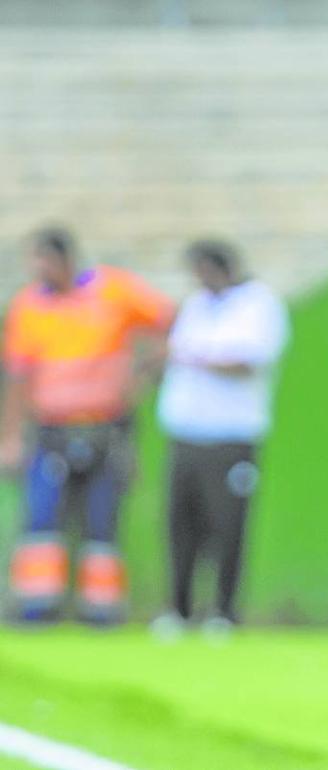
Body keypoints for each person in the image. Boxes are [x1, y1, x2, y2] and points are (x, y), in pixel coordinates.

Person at [2, 227, 174, 623]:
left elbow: (170, 321)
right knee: (42, 521)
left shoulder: (113, 291)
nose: (37, 269)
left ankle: (102, 613)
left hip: (107, 429)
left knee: (102, 520)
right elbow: (17, 376)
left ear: (65, 259)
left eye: (43, 260)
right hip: (50, 430)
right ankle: (37, 609)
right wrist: (9, 438)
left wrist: (145, 370)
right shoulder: (29, 306)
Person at [152, 239, 288, 637]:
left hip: (231, 435)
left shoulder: (258, 304)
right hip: (185, 433)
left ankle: (224, 611)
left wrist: (193, 353)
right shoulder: (196, 305)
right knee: (180, 524)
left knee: (227, 524)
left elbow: (246, 359)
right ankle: (178, 609)